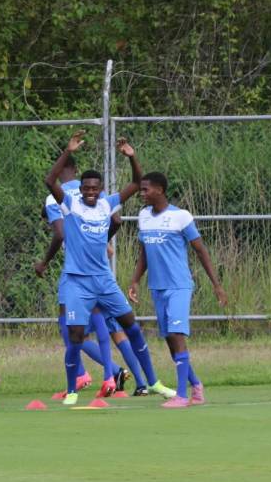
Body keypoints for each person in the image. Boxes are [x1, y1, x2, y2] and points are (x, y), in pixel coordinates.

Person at [44, 132, 172, 407]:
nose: (90, 192)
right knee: (75, 335)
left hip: (103, 281)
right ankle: (72, 390)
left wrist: (132, 157)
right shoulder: (70, 205)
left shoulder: (107, 203)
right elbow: (50, 180)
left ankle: (152, 382)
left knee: (131, 325)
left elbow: (137, 183)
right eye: (86, 188)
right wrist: (68, 151)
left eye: (94, 188)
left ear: (100, 188)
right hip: (77, 282)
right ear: (80, 190)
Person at [36, 164, 146, 399]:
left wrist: (44, 262)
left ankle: (89, 375)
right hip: (101, 272)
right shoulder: (96, 191)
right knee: (113, 327)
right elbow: (116, 220)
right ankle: (137, 381)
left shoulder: (58, 197)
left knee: (71, 326)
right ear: (76, 172)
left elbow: (60, 233)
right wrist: (100, 240)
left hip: (79, 273)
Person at [127, 172, 228, 408]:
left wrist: (217, 285)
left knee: (177, 336)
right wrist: (135, 281)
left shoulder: (181, 216)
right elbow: (144, 253)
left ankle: (182, 395)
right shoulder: (144, 216)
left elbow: (201, 250)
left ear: (160, 190)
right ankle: (196, 386)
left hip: (179, 286)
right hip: (157, 287)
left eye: (145, 189)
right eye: (141, 190)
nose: (142, 194)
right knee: (171, 342)